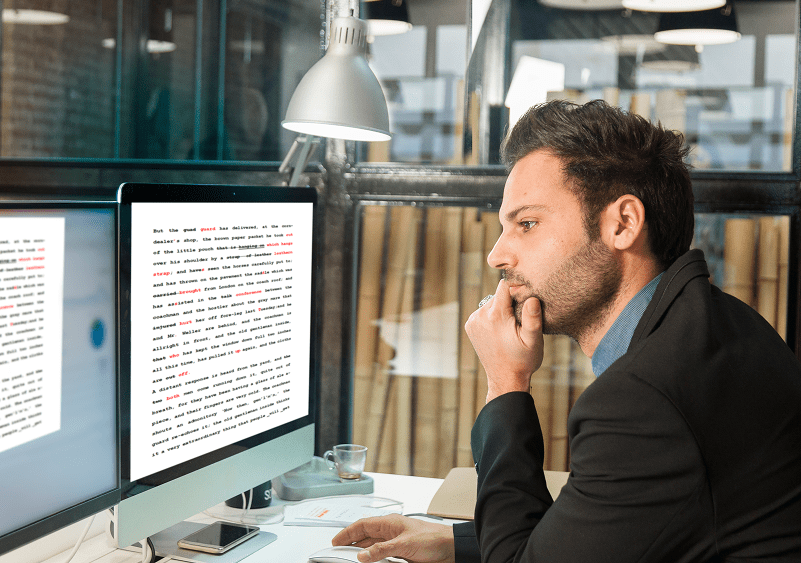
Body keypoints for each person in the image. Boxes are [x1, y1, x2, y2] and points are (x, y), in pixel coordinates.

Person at [333, 100, 801, 562]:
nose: (497, 255)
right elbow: (622, 527)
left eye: (527, 224)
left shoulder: (644, 399)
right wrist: (457, 542)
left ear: (623, 224)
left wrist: (506, 385)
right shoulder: (718, 323)